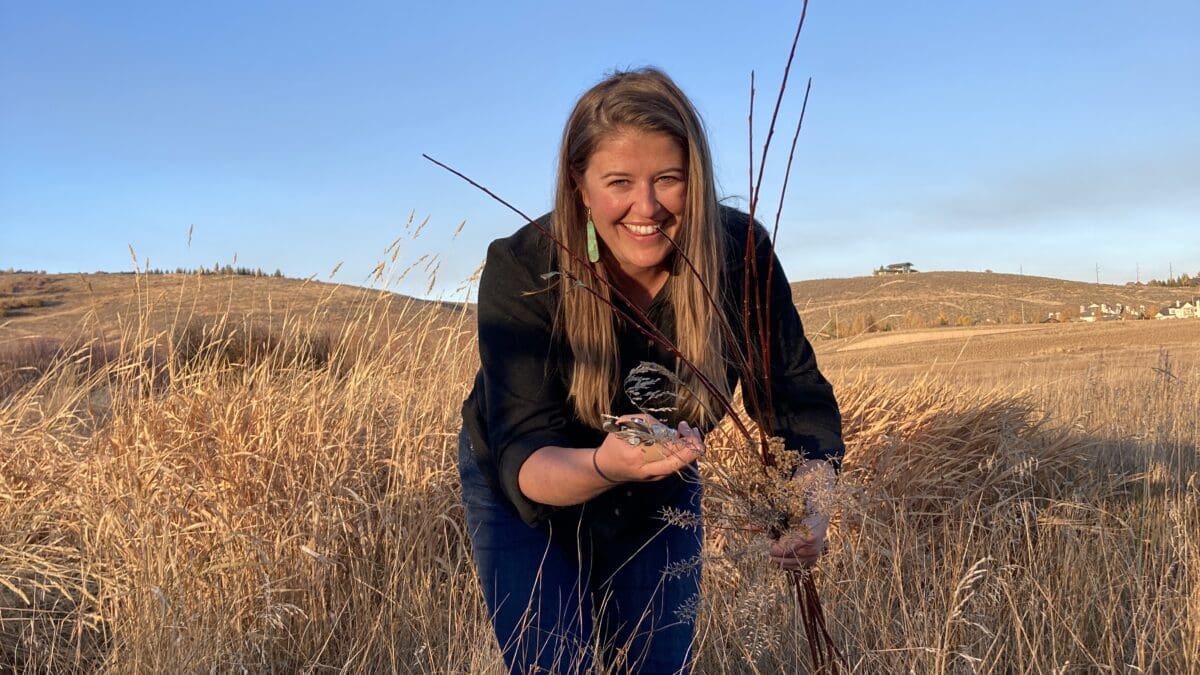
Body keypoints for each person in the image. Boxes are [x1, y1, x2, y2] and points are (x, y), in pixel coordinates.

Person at [458, 67, 843, 674]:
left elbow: (799, 407)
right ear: (579, 186)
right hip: (533, 491)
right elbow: (523, 455)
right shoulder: (523, 269)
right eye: (619, 182)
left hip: (661, 482)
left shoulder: (741, 256)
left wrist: (809, 509)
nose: (648, 207)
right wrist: (606, 465)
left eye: (670, 179)